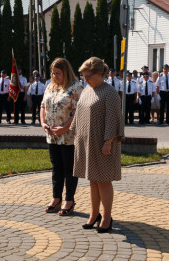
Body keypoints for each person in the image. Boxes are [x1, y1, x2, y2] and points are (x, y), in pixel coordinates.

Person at [74, 57, 124, 233]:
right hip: (87, 142)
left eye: (88, 76)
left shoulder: (109, 92)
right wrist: (75, 133)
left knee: (103, 181)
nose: (86, 79)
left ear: (100, 73)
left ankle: (106, 216)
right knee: (93, 180)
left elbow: (113, 118)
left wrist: (108, 142)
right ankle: (94, 214)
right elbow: (79, 113)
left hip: (103, 144)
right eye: (83, 76)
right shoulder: (87, 90)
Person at [40, 58, 83, 216]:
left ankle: (69, 200)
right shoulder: (50, 86)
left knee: (69, 168)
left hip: (68, 136)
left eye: (58, 73)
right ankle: (56, 198)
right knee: (56, 167)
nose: (54, 75)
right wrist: (43, 123)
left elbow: (78, 112)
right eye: (52, 72)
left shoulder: (76, 88)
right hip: (52, 136)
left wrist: (65, 127)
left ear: (66, 72)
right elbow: (43, 106)